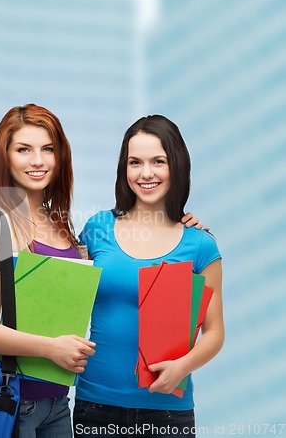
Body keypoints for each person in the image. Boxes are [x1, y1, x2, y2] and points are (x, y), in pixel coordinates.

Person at [0, 105, 204, 438]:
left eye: (48, 149)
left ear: (61, 157)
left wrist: (179, 225)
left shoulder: (65, 228)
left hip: (59, 405)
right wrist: (49, 348)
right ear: (5, 158)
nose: (37, 161)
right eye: (23, 150)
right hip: (11, 402)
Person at [73, 115, 224, 438]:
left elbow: (214, 332)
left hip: (168, 411)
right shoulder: (97, 229)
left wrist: (182, 367)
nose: (146, 173)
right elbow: (65, 298)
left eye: (158, 161)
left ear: (177, 166)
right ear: (123, 169)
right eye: (134, 162)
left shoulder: (200, 245)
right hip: (93, 406)